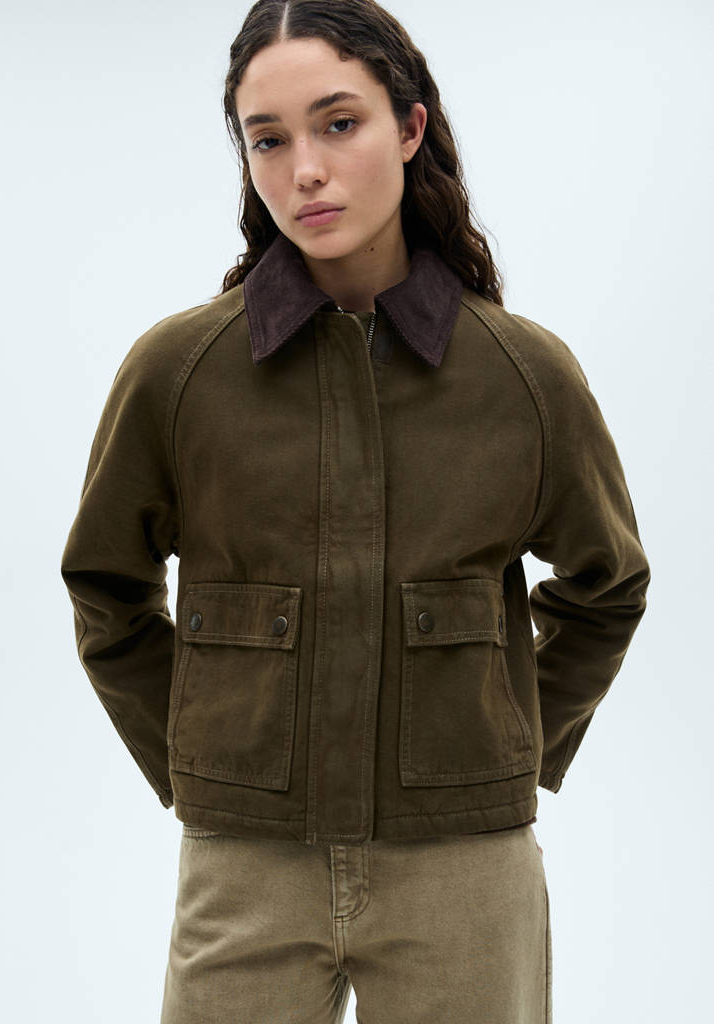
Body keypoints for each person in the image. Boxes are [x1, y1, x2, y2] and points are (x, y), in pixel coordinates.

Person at [60, 0, 651, 1021]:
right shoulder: (178, 373)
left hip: (466, 873)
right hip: (243, 869)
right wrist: (204, 760)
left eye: (339, 123)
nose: (305, 171)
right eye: (268, 139)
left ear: (410, 127)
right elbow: (105, 587)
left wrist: (506, 744)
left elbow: (608, 584)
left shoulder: (523, 376)